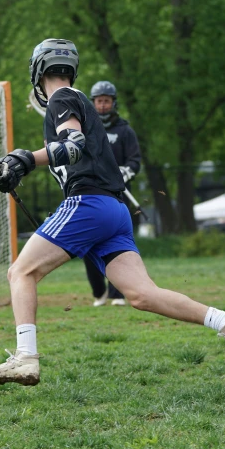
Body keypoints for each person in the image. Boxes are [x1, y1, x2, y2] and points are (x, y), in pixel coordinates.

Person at [0, 38, 225, 386]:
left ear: (36, 71)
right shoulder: (79, 103)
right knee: (141, 295)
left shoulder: (62, 98)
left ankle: (26, 358)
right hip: (114, 210)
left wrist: (25, 159)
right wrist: (16, 169)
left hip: (89, 204)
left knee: (21, 272)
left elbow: (72, 146)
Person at [84, 80, 141, 307]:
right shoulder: (86, 128)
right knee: (89, 246)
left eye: (107, 101)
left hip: (119, 197)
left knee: (118, 246)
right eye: (99, 101)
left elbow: (135, 160)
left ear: (113, 103)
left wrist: (124, 172)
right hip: (93, 195)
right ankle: (99, 292)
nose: (103, 105)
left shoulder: (125, 131)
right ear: (93, 103)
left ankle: (117, 293)